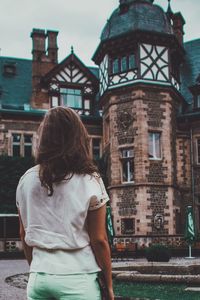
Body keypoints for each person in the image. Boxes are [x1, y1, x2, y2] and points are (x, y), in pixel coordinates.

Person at [16, 106, 114, 300]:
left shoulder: (26, 180)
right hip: (78, 278)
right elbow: (99, 239)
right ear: (77, 137)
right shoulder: (89, 180)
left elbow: (23, 234)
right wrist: (109, 286)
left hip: (39, 279)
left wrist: (38, 269)